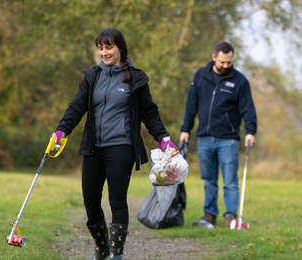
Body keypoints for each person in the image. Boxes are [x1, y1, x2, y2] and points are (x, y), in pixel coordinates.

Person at [51, 28, 176, 260]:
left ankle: (116, 255)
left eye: (109, 47)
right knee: (90, 201)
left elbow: (150, 113)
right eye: (100, 48)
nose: (104, 52)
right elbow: (76, 108)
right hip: (93, 147)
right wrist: (61, 131)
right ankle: (102, 248)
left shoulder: (136, 78)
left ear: (120, 48)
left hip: (122, 146)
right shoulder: (92, 76)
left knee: (117, 200)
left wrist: (165, 139)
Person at [179, 41, 257, 228]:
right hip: (204, 137)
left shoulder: (239, 81)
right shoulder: (200, 76)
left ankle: (230, 216)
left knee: (230, 181)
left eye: (229, 62)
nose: (226, 65)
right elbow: (192, 105)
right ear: (214, 57)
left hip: (228, 139)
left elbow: (248, 108)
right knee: (208, 179)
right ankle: (209, 216)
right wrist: (185, 129)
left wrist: (250, 131)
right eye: (222, 61)